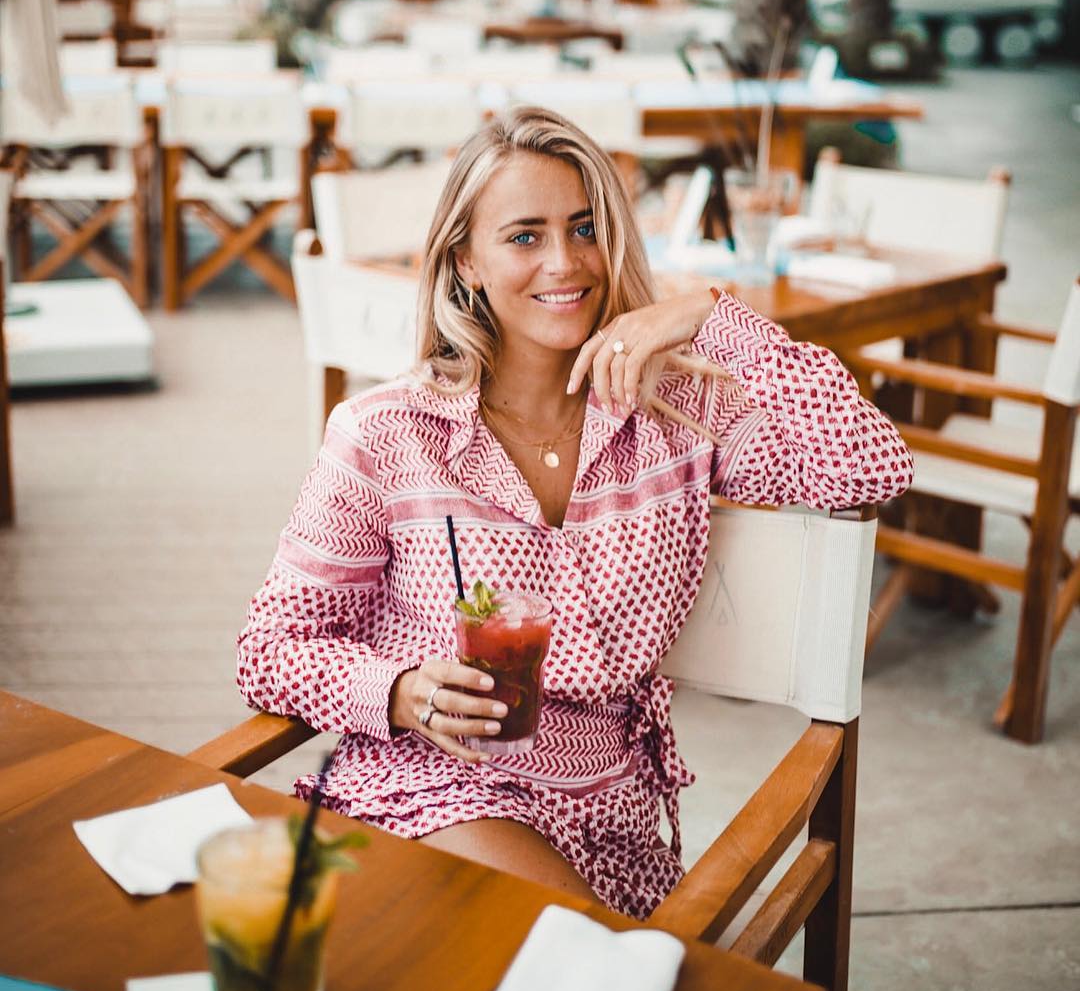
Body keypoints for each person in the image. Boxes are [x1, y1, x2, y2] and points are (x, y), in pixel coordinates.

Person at [236, 108, 913, 920]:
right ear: (466, 260)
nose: (564, 262)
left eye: (585, 228)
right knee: (592, 962)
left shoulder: (677, 413)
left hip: (612, 824)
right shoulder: (387, 435)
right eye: (524, 236)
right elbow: (269, 650)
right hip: (440, 788)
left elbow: (873, 465)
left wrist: (709, 315)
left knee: (602, 977)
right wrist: (399, 691)